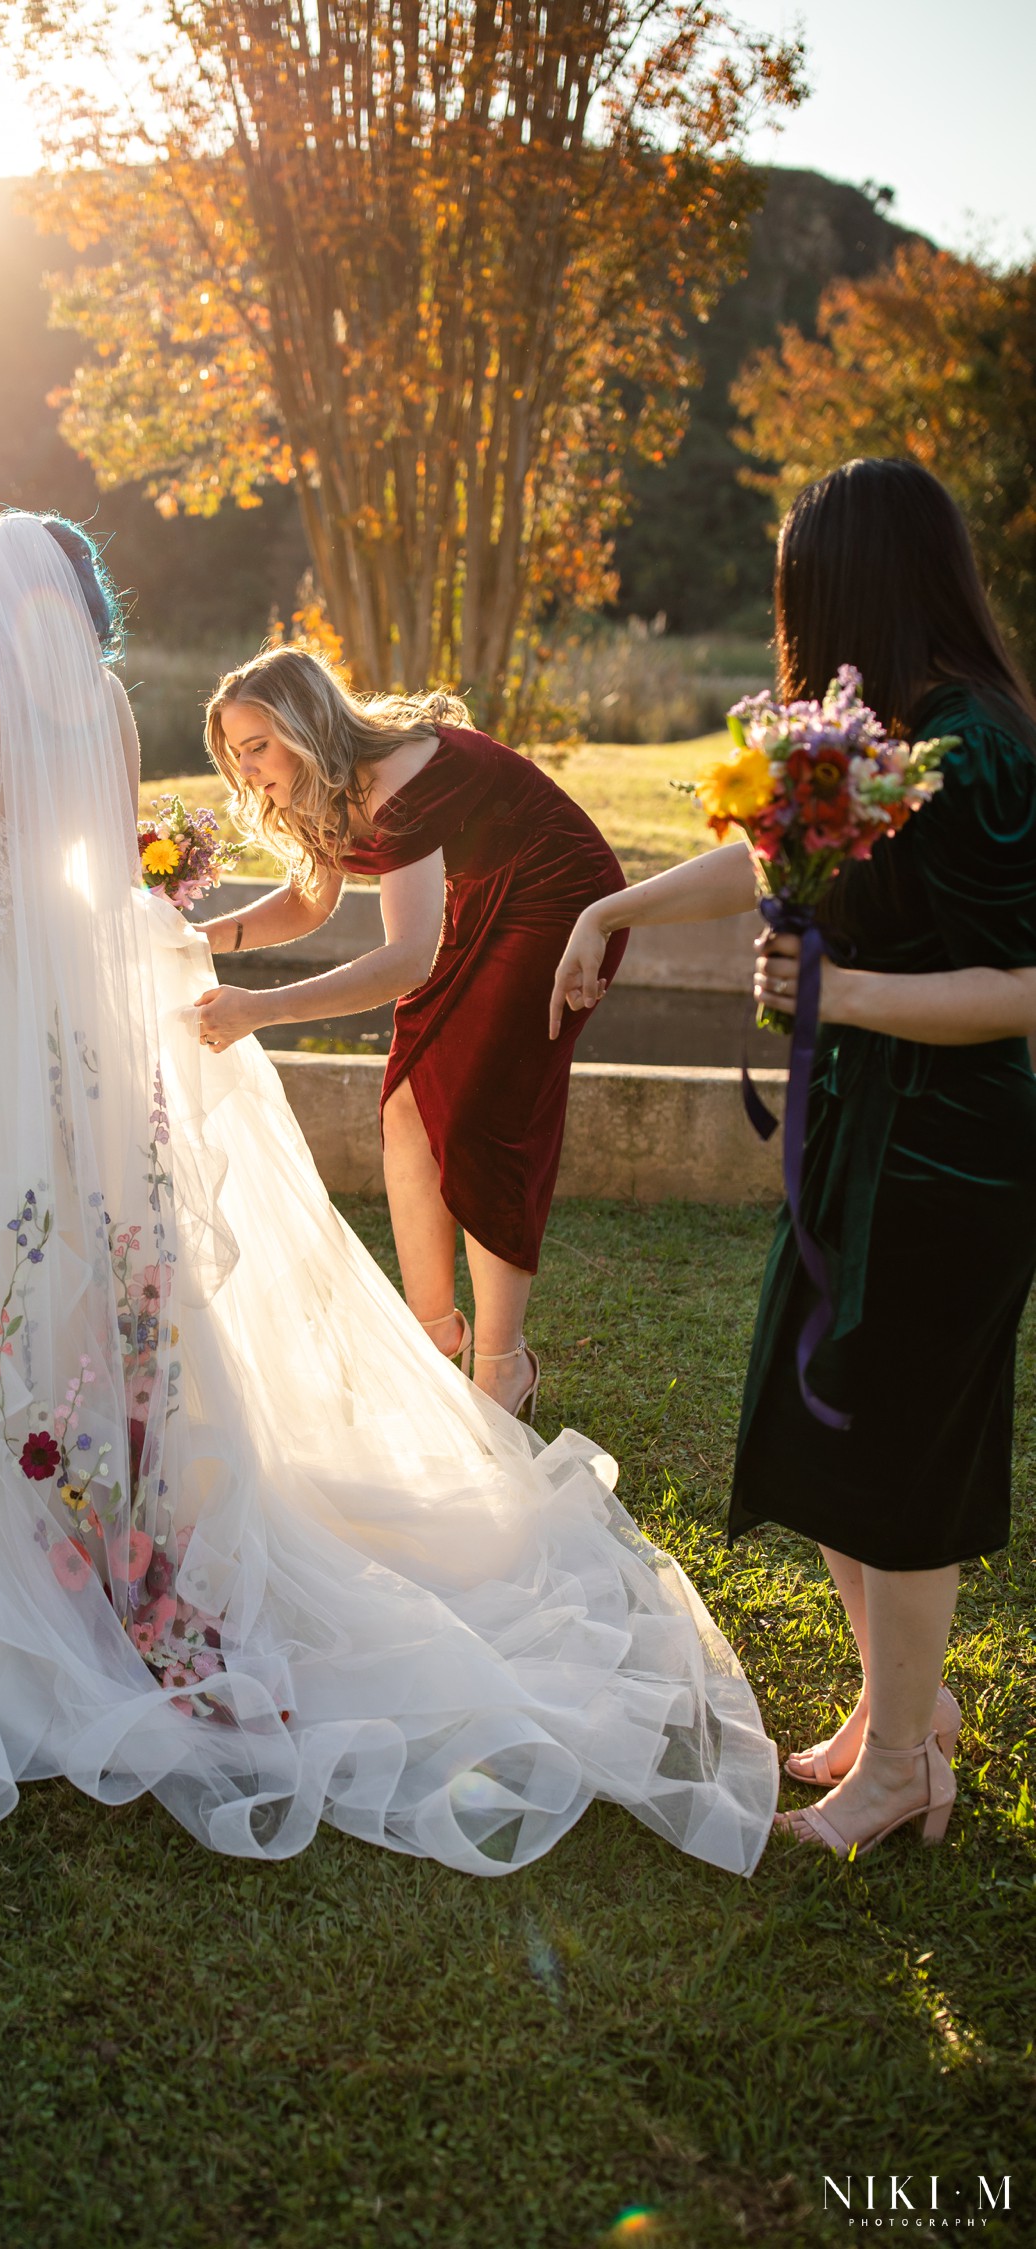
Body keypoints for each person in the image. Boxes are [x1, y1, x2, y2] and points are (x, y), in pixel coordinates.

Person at [0, 509, 777, 1876]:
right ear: (77, 594)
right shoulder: (102, 697)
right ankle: (115, 1536)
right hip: (64, 1012)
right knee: (74, 1260)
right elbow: (100, 883)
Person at [550, 458, 1036, 1859]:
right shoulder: (867, 732)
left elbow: (1024, 980)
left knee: (895, 1449)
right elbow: (764, 852)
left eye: (804, 587)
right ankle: (912, 1705)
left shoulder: (980, 744)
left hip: (954, 1150)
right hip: (858, 1128)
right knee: (813, 1411)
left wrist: (852, 998)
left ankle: (894, 1772)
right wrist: (614, 908)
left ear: (857, 583)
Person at [192, 648, 628, 1418]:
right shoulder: (314, 784)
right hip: (481, 896)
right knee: (405, 1106)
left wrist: (258, 1008)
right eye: (236, 753)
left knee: (478, 1117)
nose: (247, 767)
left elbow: (403, 960)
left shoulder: (393, 783)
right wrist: (200, 939)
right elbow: (308, 903)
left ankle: (502, 1368)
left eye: (257, 745)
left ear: (304, 724)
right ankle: (433, 1344)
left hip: (561, 899)